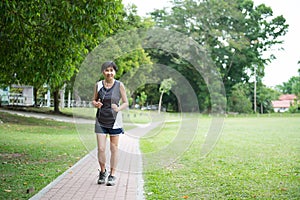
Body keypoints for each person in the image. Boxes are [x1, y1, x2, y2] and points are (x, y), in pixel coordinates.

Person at [92, 61, 128, 186]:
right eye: (107, 70)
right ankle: (103, 172)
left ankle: (112, 175)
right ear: (103, 72)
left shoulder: (119, 85)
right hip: (100, 120)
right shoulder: (98, 85)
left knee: (114, 148)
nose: (109, 73)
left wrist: (118, 109)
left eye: (111, 70)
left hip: (115, 122)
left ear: (115, 72)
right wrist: (96, 104)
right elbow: (94, 100)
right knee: (101, 148)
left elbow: (125, 102)